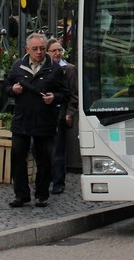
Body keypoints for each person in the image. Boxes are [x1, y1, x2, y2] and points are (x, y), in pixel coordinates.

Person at [3, 32, 67, 208]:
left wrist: (54, 97)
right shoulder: (18, 67)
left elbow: (65, 93)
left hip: (44, 122)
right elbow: (5, 86)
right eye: (35, 49)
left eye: (42, 49)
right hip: (21, 121)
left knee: (45, 160)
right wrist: (12, 89)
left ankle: (41, 194)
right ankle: (21, 195)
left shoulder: (54, 69)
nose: (39, 52)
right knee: (18, 158)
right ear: (27, 49)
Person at [47, 38, 79, 195]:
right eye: (54, 50)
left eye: (59, 50)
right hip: (45, 114)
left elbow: (74, 93)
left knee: (58, 149)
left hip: (60, 112)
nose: (57, 53)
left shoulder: (69, 69)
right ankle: (48, 178)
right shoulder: (44, 68)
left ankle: (58, 182)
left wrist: (69, 112)